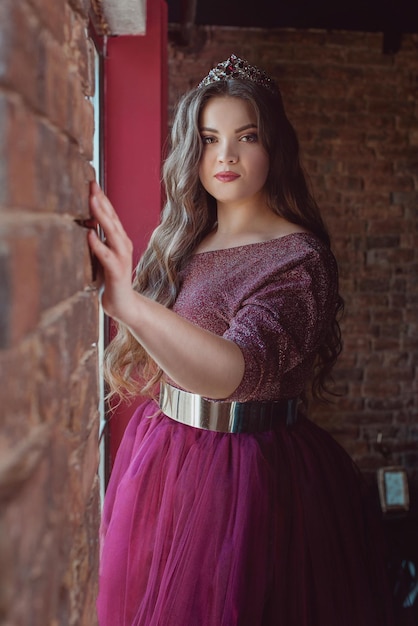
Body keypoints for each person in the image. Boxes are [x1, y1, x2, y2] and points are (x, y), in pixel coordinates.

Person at [88, 55, 394, 625]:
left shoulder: (300, 257)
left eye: (246, 137)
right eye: (209, 139)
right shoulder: (184, 240)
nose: (225, 155)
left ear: (274, 148)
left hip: (250, 475)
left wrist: (127, 303)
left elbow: (239, 371)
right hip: (165, 455)